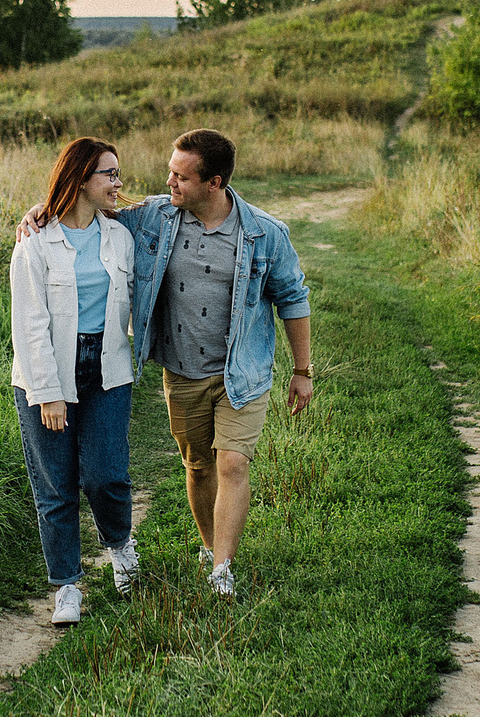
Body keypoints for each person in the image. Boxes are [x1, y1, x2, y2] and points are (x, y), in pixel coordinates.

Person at [24, 127, 314, 598]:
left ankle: (222, 569)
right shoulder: (155, 216)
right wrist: (41, 210)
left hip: (242, 372)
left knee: (232, 465)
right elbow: (87, 210)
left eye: (181, 176)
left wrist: (302, 371)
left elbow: (293, 299)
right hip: (181, 372)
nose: (169, 182)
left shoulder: (265, 233)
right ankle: (208, 545)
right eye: (170, 172)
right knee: (198, 467)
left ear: (214, 183)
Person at [10, 137, 141, 626]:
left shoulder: (120, 236)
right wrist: (48, 394)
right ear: (82, 178)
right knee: (56, 484)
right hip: (48, 371)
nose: (118, 183)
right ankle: (67, 586)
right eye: (110, 174)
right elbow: (30, 324)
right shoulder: (35, 240)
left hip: (108, 368)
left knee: (106, 475)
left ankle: (121, 546)